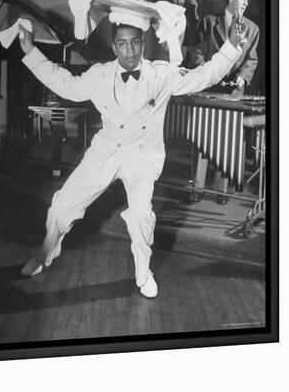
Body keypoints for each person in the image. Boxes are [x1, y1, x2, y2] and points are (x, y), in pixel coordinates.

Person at [18, 15, 245, 299]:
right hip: (106, 151)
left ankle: (143, 273)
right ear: (114, 47)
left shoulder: (161, 74)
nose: (129, 51)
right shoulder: (99, 74)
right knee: (62, 207)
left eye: (135, 43)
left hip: (142, 157)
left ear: (143, 44)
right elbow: (65, 84)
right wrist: (30, 51)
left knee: (140, 216)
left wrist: (232, 48)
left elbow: (203, 76)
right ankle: (44, 255)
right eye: (122, 44)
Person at [199, 0, 259, 94]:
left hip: (234, 92)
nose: (246, 3)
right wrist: (204, 73)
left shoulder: (253, 29)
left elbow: (251, 58)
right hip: (207, 88)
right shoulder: (207, 22)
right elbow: (197, 52)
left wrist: (242, 76)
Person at [155, 0, 204, 67]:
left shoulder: (184, 16)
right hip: (168, 60)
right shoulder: (164, 16)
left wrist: (195, 11)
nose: (179, 2)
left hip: (184, 61)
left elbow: (197, 32)